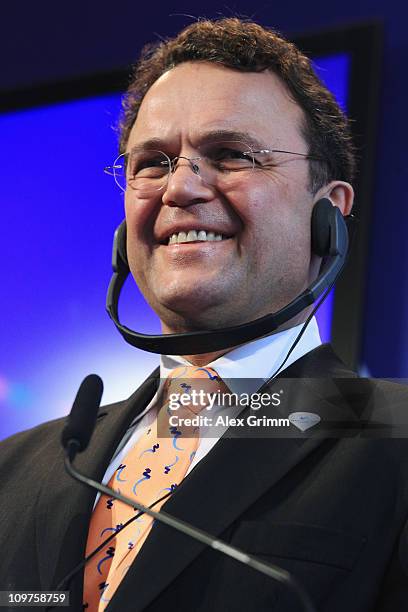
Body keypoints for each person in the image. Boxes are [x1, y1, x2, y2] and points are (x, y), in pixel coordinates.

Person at [1, 17, 407, 612]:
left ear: (330, 213)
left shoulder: (395, 436)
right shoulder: (16, 469)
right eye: (153, 163)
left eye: (232, 155)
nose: (181, 189)